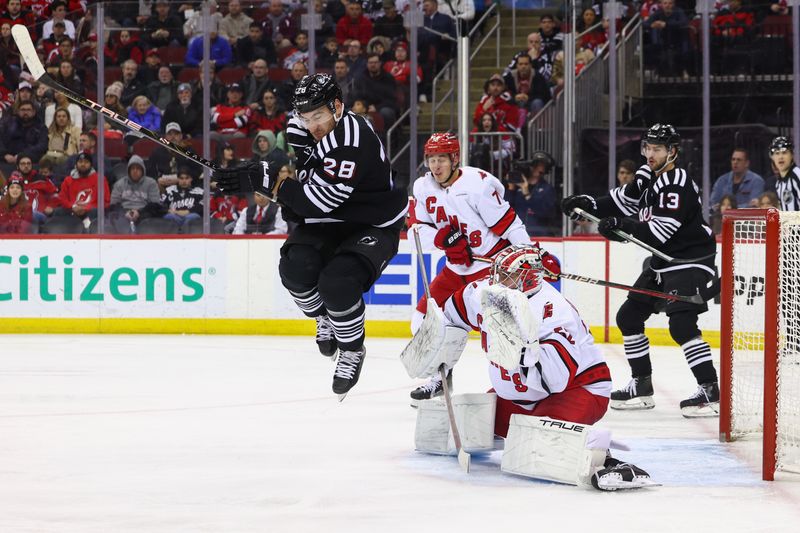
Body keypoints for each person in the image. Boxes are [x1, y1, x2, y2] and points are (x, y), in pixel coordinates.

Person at [214, 73, 407, 397]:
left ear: (337, 106)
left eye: (318, 116)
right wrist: (261, 174)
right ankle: (323, 317)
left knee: (338, 283)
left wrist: (270, 183)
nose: (312, 124)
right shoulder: (300, 126)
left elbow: (320, 201)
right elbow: (304, 183)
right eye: (306, 117)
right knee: (294, 268)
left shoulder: (351, 139)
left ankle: (351, 349)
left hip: (373, 220)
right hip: (329, 218)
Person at [408, 244, 652, 490]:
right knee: (466, 424)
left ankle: (605, 458)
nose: (496, 280)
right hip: (520, 395)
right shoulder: (482, 291)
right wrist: (436, 347)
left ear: (529, 277)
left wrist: (522, 350)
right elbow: (452, 317)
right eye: (497, 272)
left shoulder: (554, 311)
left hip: (578, 390)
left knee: (540, 445)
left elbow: (555, 380)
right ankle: (539, 429)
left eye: (506, 275)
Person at [561, 124, 720, 418]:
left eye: (657, 149)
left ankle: (710, 390)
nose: (650, 154)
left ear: (672, 152)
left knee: (681, 324)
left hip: (691, 258)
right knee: (629, 317)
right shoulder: (648, 176)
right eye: (647, 147)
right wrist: (588, 204)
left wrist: (621, 227)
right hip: (664, 260)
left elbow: (659, 232)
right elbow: (621, 201)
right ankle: (641, 386)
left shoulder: (677, 181)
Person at [407, 132, 530, 403]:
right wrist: (444, 240)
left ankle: (516, 382)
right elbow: (417, 232)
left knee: (498, 331)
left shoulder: (477, 184)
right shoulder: (423, 187)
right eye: (431, 159)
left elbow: (509, 226)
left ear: (454, 159)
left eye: (441, 159)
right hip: (455, 270)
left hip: (490, 269)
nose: (435, 166)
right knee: (422, 319)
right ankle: (440, 378)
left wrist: (528, 255)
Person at [108, 155, 163, 234]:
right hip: (123, 214)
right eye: (132, 168)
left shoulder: (151, 183)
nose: (135, 171)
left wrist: (139, 212)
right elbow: (113, 205)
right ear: (128, 170)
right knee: (113, 216)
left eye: (138, 168)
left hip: (145, 214)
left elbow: (155, 204)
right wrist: (124, 213)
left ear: (143, 170)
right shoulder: (119, 184)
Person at [509, 152, 559, 237]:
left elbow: (545, 213)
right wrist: (511, 189)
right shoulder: (518, 186)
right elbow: (506, 208)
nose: (538, 167)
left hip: (539, 235)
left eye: (542, 165)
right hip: (517, 234)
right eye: (537, 164)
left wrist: (527, 194)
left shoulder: (547, 189)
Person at [57, 152, 111, 229]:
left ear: (91, 165)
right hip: (72, 212)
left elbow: (106, 201)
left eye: (86, 162)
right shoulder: (68, 180)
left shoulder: (100, 179)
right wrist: (73, 206)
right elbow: (62, 198)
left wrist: (86, 208)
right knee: (58, 212)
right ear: (76, 164)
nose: (83, 164)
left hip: (92, 214)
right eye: (80, 162)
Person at [768, 136, 800, 211]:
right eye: (777, 153)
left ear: (792, 155)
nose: (780, 157)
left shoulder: (797, 175)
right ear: (772, 157)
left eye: (784, 152)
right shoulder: (779, 183)